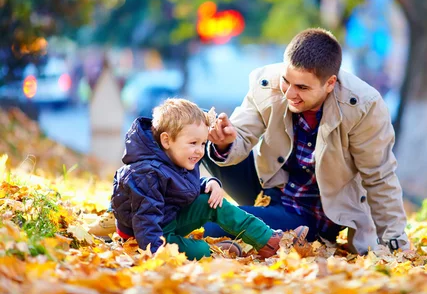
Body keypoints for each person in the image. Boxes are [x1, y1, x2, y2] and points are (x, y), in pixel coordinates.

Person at [203, 28, 409, 254]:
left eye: (302, 87)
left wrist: (396, 243)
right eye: (286, 81)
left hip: (308, 217)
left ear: (330, 83)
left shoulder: (362, 106)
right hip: (269, 188)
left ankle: (206, 222)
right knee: (188, 125)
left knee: (211, 223)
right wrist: (223, 143)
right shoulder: (267, 84)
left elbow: (379, 177)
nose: (290, 93)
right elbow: (241, 133)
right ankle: (165, 201)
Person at [110, 98, 308, 260]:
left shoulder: (175, 156)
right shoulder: (146, 174)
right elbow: (146, 223)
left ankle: (268, 241)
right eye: (193, 143)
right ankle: (214, 251)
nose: (199, 150)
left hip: (167, 218)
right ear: (166, 140)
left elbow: (179, 187)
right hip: (146, 236)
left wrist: (209, 183)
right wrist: (156, 255)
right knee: (199, 251)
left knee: (215, 203)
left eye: (203, 143)